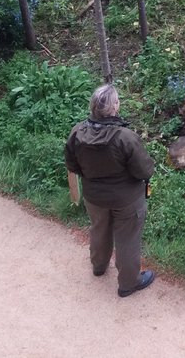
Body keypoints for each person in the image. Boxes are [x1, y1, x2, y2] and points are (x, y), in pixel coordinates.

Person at [64, 84, 156, 298]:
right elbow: (144, 170)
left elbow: (72, 164)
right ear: (114, 107)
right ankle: (128, 283)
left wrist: (90, 177)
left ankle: (98, 266)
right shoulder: (125, 137)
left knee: (99, 229)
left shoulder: (77, 132)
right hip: (126, 200)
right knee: (127, 239)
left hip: (94, 197)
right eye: (117, 101)